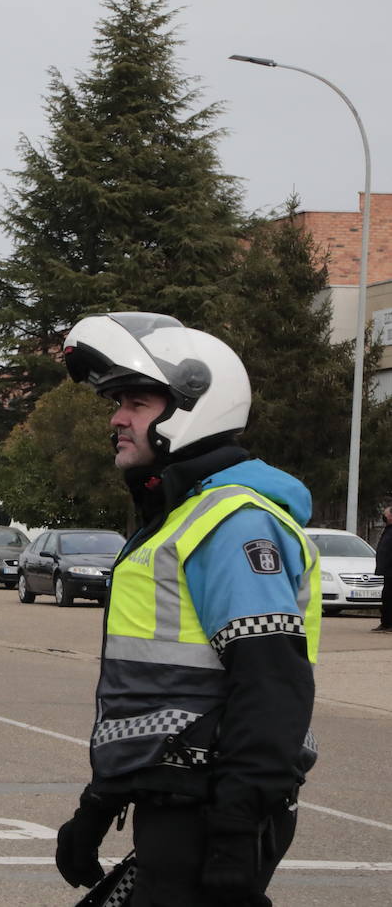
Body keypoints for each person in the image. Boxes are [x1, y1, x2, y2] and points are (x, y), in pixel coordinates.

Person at [56, 312, 320, 906]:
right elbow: (161, 696)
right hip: (176, 804)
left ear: (195, 406)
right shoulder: (178, 519)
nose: (117, 419)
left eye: (137, 402)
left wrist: (233, 834)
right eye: (116, 402)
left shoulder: (233, 524)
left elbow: (273, 685)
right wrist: (97, 806)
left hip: (214, 811)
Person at [374, 506, 392, 633]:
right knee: (386, 597)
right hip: (387, 572)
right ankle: (386, 623)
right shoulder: (388, 530)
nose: (383, 517)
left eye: (385, 515)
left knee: (389, 597)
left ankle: (388, 623)